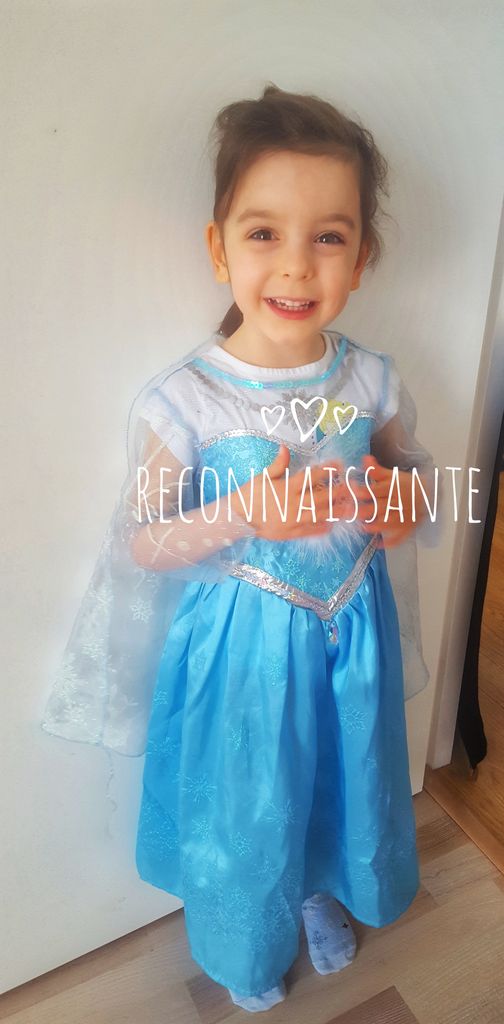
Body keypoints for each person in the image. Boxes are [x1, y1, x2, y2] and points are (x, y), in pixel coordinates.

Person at [41, 84, 438, 1012]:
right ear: (219, 248)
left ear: (362, 257)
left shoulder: (368, 379)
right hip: (245, 653)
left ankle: (315, 888)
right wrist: (242, 511)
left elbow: (415, 481)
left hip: (352, 633)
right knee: (252, 798)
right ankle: (245, 941)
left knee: (337, 775)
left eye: (329, 236)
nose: (296, 264)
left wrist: (403, 501)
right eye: (264, 233)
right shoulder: (190, 400)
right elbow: (143, 544)